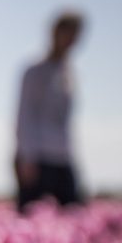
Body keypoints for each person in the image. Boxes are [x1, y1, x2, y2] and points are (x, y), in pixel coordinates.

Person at [15, 11, 85, 211]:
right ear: (54, 33)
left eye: (76, 35)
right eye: (68, 33)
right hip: (37, 156)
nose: (71, 40)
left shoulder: (70, 73)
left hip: (63, 154)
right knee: (30, 213)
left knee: (73, 213)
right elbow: (25, 114)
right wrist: (27, 156)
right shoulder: (35, 70)